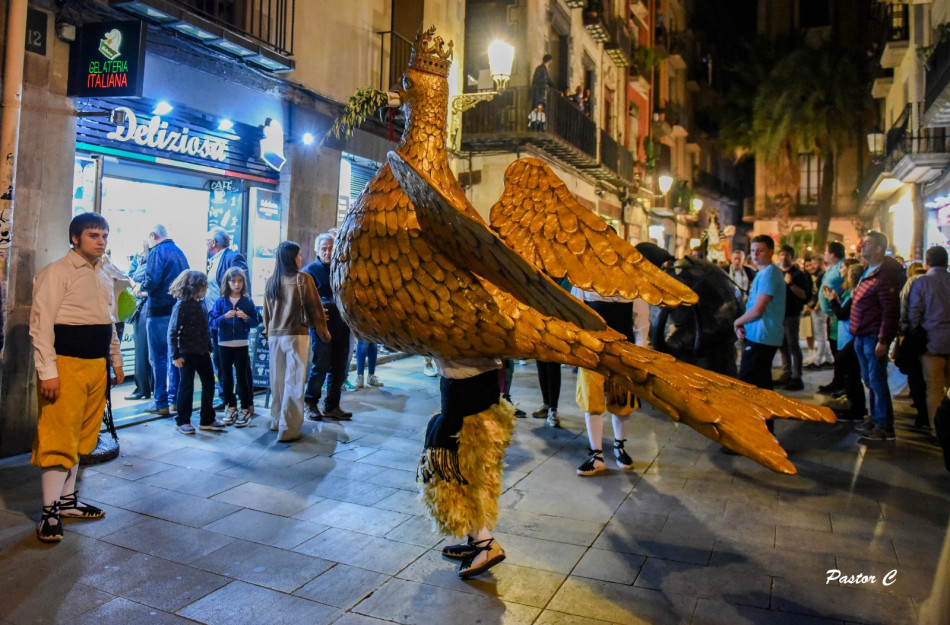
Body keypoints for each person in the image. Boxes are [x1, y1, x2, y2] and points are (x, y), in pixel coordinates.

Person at [30, 213, 124, 542]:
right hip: (66, 364)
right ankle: (48, 513)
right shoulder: (55, 273)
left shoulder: (104, 272)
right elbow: (40, 327)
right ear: (75, 238)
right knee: (58, 436)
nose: (101, 241)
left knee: (83, 436)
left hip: (95, 365)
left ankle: (67, 501)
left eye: (104, 235)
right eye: (94, 235)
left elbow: (108, 319)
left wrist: (115, 359)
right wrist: (48, 372)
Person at [421, 357, 514, 579]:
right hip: (482, 392)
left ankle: (485, 543)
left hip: (464, 396)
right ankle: (476, 540)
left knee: (452, 478)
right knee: (477, 476)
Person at [263, 241, 330, 442]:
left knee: (277, 381)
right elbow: (316, 309)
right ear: (292, 257)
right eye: (299, 254)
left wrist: (268, 334)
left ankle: (276, 420)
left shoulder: (271, 281)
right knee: (294, 382)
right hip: (296, 335)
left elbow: (265, 313)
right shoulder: (304, 280)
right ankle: (289, 429)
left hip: (275, 336)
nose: (301, 258)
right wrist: (323, 332)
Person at [572, 287, 640, 475]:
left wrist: (641, 355)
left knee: (622, 401)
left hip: (624, 351)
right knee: (591, 400)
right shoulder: (583, 282)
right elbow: (575, 315)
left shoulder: (631, 282)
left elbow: (641, 322)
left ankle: (619, 446)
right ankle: (597, 455)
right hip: (592, 351)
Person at [850, 231, 902, 442]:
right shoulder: (869, 271)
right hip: (862, 335)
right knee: (870, 380)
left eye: (868, 243)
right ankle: (875, 418)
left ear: (879, 249)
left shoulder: (883, 275)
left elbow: (890, 311)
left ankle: (884, 425)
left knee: (877, 381)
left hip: (872, 336)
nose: (863, 245)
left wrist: (883, 340)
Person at [733, 235, 786, 431]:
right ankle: (764, 433)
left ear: (771, 252)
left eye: (760, 250)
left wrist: (737, 322)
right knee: (761, 388)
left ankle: (749, 434)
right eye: (753, 250)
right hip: (758, 335)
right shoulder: (764, 273)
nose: (755, 254)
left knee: (747, 387)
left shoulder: (770, 274)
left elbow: (758, 309)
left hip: (762, 338)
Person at [168, 270, 226, 435]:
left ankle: (207, 419)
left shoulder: (200, 303)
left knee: (209, 383)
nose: (205, 289)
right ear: (192, 287)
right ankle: (182, 420)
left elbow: (204, 328)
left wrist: (209, 348)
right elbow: (172, 331)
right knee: (186, 387)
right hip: (186, 353)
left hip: (202, 352)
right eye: (203, 286)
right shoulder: (181, 305)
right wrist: (175, 355)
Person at [140, 224, 189, 416]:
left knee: (158, 357)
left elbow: (152, 279)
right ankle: (175, 400)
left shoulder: (157, 252)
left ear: (153, 235)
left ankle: (160, 403)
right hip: (177, 311)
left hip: (159, 310)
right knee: (175, 356)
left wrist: (141, 287)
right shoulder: (179, 252)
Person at [303, 234, 352, 421]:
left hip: (342, 323)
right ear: (317, 250)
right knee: (321, 364)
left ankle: (332, 405)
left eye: (331, 248)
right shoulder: (310, 272)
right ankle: (311, 402)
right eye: (324, 248)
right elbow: (304, 299)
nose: (328, 252)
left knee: (340, 367)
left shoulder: (343, 267)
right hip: (321, 325)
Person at [204, 227, 250, 409]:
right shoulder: (214, 260)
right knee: (220, 360)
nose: (205, 244)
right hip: (218, 319)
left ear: (214, 242)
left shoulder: (232, 257)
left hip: (231, 320)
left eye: (206, 240)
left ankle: (243, 402)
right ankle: (226, 398)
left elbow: (243, 281)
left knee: (238, 364)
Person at [209, 267, 260, 427]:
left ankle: (245, 408)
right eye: (233, 281)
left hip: (242, 344)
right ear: (227, 282)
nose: (237, 284)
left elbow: (256, 321)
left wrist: (247, 318)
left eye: (240, 281)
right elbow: (212, 322)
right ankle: (230, 406)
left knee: (242, 377)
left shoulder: (247, 301)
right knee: (226, 378)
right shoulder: (220, 301)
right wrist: (224, 317)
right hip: (224, 344)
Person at [907, 246, 950, 431]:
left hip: (932, 343)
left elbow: (914, 314)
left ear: (927, 261)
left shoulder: (922, 282)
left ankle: (937, 428)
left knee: (934, 388)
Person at [824, 261, 868, 422]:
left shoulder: (855, 294)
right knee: (851, 373)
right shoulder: (851, 292)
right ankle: (854, 405)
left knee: (852, 374)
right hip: (846, 337)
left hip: (851, 337)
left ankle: (857, 409)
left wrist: (833, 300)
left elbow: (842, 314)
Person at [776, 245, 811, 391]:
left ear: (792, 257)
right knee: (782, 346)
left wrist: (790, 284)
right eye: (782, 254)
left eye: (787, 255)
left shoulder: (798, 274)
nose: (784, 257)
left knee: (793, 346)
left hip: (791, 315)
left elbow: (804, 295)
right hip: (779, 314)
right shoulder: (777, 273)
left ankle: (797, 377)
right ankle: (786, 373)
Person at [817, 242, 846, 392]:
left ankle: (842, 384)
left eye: (826, 252)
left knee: (839, 351)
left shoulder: (843, 266)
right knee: (835, 349)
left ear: (833, 254)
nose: (825, 255)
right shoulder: (833, 268)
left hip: (839, 314)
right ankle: (838, 381)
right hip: (831, 314)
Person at [126, 241, 152, 400]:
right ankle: (148, 387)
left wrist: (141, 291)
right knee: (147, 352)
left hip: (146, 308)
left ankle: (143, 388)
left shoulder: (152, 259)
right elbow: (131, 275)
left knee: (144, 351)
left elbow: (137, 276)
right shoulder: (140, 258)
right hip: (143, 307)